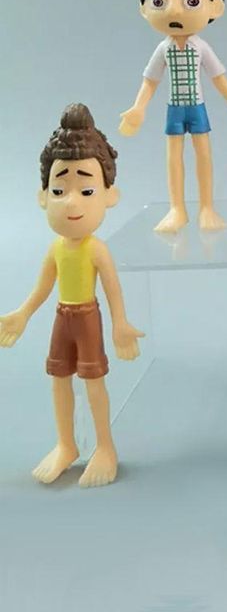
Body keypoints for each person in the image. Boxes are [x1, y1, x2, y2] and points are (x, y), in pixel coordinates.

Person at [0, 104, 144, 487]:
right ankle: (66, 444)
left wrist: (120, 323)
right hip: (62, 319)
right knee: (59, 379)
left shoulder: (97, 250)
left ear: (109, 196)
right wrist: (23, 313)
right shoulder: (56, 249)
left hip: (87, 319)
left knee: (93, 382)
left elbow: (112, 289)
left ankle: (105, 447)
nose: (72, 202)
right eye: (59, 190)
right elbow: (43, 288)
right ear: (43, 196)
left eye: (87, 190)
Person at [120, 0, 227, 232]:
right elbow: (150, 80)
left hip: (197, 108)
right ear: (144, 8)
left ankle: (207, 207)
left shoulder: (201, 47)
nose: (174, 10)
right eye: (159, 0)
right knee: (173, 157)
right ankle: (176, 208)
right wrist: (138, 108)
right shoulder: (163, 49)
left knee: (203, 155)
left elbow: (218, 76)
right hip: (174, 110)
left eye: (191, 0)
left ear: (215, 6)